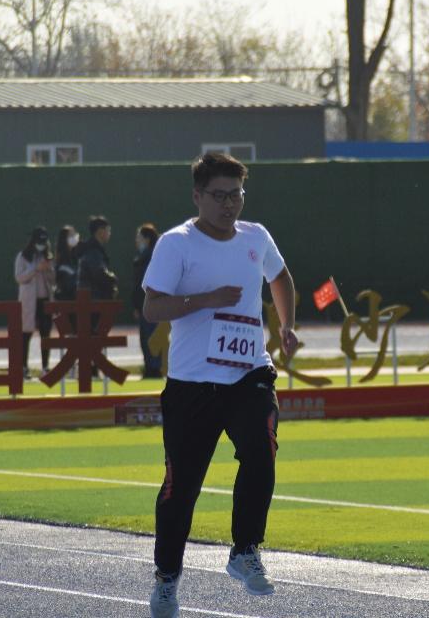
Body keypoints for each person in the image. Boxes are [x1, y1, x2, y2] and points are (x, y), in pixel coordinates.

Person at [142, 152, 298, 617]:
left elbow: (280, 277)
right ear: (198, 196)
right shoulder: (176, 244)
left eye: (237, 195)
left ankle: (245, 549)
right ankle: (166, 578)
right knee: (181, 489)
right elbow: (152, 307)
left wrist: (287, 325)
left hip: (249, 374)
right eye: (220, 196)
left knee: (262, 447)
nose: (230, 205)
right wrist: (205, 299)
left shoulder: (256, 236)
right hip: (192, 385)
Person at [15, 226, 55, 377]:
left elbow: (53, 280)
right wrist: (35, 268)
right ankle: (23, 366)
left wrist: (48, 269)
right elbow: (19, 277)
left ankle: (45, 366)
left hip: (45, 300)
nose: (41, 245)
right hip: (29, 301)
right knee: (25, 334)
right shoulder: (23, 257)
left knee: (46, 334)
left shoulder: (48, 256)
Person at [132, 223, 162, 378]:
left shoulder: (150, 257)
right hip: (145, 304)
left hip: (149, 305)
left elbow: (143, 285)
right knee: (146, 337)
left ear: (147, 239)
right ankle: (150, 367)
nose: (137, 241)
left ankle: (153, 368)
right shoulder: (145, 257)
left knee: (150, 337)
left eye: (139, 237)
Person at [77, 216, 118, 302]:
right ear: (100, 231)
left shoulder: (94, 249)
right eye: (108, 230)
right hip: (93, 301)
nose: (109, 233)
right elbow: (99, 273)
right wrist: (113, 279)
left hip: (92, 298)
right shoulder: (92, 251)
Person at [53, 225, 81, 302]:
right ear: (64, 239)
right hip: (66, 302)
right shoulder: (61, 262)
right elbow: (66, 286)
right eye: (71, 235)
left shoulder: (76, 258)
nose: (75, 237)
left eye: (75, 234)